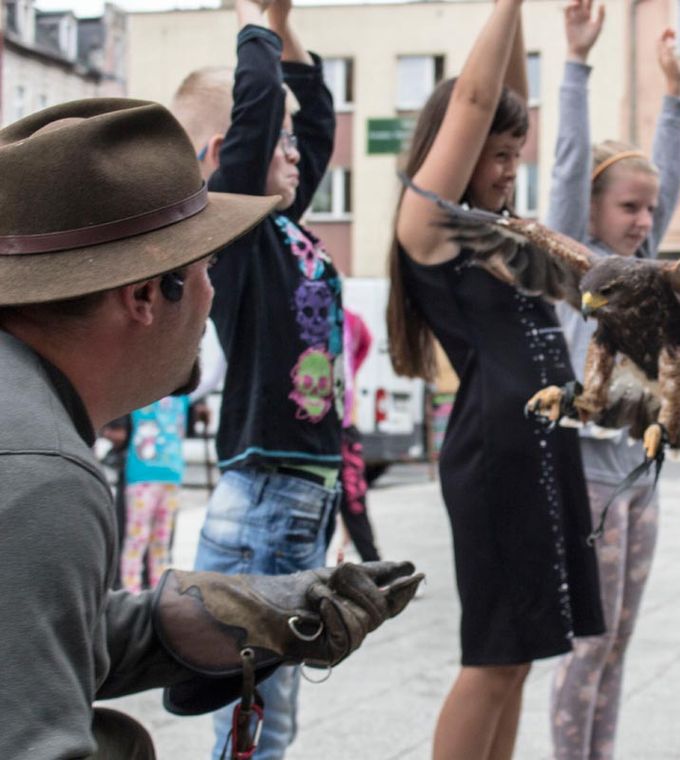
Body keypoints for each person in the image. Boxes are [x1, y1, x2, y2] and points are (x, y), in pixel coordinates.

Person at [0, 97, 420, 758]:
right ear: (144, 294)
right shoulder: (44, 475)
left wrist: (247, 610)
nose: (215, 294)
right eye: (206, 266)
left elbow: (43, 632)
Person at [387, 2, 605, 758]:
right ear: (456, 148)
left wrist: (559, 45)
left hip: (540, 448)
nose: (513, 168)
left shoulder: (499, 228)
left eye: (517, 153)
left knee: (521, 655)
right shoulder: (429, 227)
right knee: (491, 654)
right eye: (498, 154)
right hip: (497, 455)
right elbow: (477, 100)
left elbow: (504, 101)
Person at [169, 0, 347, 754]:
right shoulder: (236, 231)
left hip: (298, 494)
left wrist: (283, 20)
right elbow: (259, 117)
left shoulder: (284, 228)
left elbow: (318, 122)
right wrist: (253, 23)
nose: (295, 153)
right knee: (254, 726)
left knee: (272, 719)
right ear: (226, 154)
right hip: (267, 496)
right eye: (276, 142)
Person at [544, 2, 680, 756]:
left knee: (620, 642)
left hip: (639, 472)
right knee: (586, 644)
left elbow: (669, 192)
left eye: (648, 210)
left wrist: (676, 96)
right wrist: (576, 64)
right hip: (587, 472)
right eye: (628, 207)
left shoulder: (643, 270)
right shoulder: (574, 267)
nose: (642, 222)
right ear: (591, 211)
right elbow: (567, 166)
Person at [120, 394, 190, 594]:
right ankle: (130, 592)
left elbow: (211, 376)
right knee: (137, 537)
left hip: (171, 476)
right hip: (142, 475)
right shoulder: (139, 392)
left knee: (162, 540)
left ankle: (159, 592)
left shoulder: (182, 396)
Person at [337, 308, 382, 562]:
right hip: (323, 426)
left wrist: (351, 371)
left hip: (343, 427)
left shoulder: (351, 320)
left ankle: (374, 566)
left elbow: (365, 342)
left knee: (354, 501)